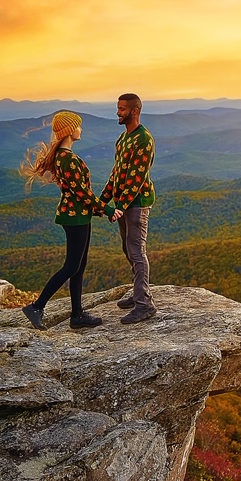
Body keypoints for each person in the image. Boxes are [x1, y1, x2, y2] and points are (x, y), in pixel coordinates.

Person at [18, 111, 108, 331]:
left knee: (79, 266)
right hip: (74, 217)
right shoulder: (67, 159)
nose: (81, 129)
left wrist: (96, 210)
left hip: (77, 215)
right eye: (78, 126)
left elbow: (80, 194)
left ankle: (77, 315)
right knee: (71, 266)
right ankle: (36, 307)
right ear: (70, 130)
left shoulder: (62, 156)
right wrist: (108, 209)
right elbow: (82, 193)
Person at [100, 92, 157, 324]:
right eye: (118, 108)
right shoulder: (123, 139)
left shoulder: (144, 139)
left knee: (136, 251)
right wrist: (103, 200)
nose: (118, 112)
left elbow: (136, 178)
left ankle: (144, 305)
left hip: (137, 204)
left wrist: (121, 207)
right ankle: (138, 294)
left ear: (134, 111)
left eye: (122, 109)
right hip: (124, 204)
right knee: (128, 249)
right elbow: (117, 173)